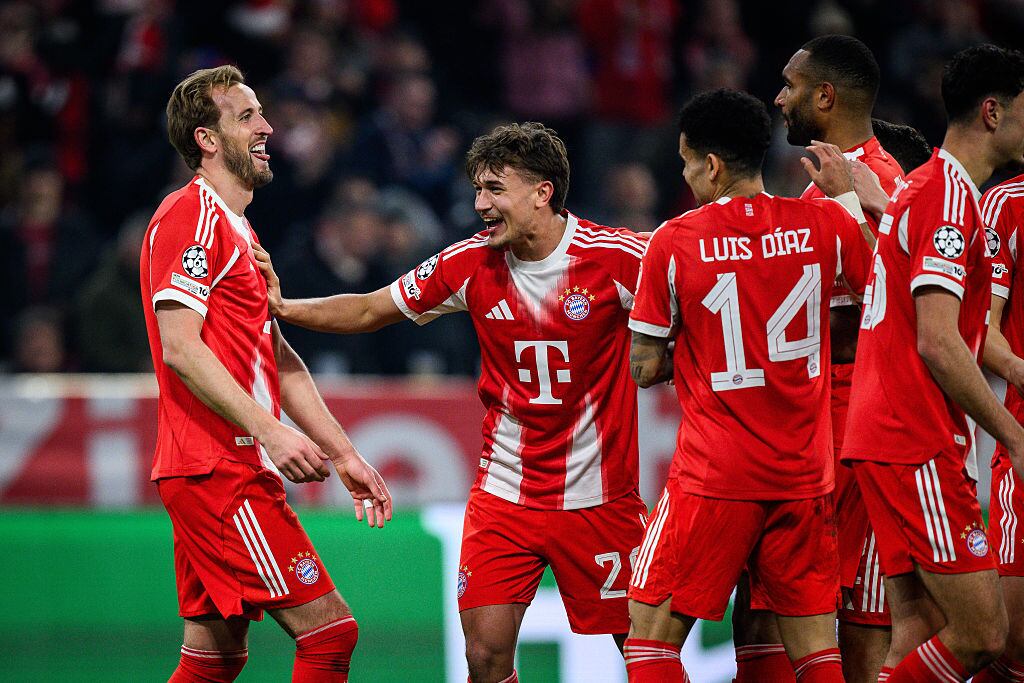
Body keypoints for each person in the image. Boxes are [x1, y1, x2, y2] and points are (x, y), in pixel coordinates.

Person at [254, 122, 649, 683]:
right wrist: (287, 308)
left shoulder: (617, 257)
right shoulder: (468, 263)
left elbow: (697, 300)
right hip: (504, 497)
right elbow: (370, 309)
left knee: (645, 653)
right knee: (485, 657)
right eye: (477, 189)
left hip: (601, 497)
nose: (479, 204)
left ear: (542, 192)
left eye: (494, 189)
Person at [140, 65, 392, 683]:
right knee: (330, 635)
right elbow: (179, 346)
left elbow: (277, 360)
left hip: (218, 465)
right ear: (207, 137)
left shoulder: (238, 229)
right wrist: (273, 434)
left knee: (214, 658)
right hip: (218, 467)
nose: (267, 128)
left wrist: (344, 454)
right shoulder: (189, 217)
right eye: (247, 116)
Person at [624, 88, 874, 683]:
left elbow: (644, 367)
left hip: (716, 476)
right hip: (805, 475)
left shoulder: (674, 240)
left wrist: (689, 338)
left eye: (687, 165)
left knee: (650, 643)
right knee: (814, 648)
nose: (686, 178)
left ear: (709, 164)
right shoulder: (826, 223)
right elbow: (881, 293)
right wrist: (849, 198)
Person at [842, 44, 1024, 681]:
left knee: (917, 632)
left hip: (885, 435)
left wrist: (873, 208)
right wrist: (1013, 435)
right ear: (994, 113)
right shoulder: (949, 199)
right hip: (913, 437)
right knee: (983, 632)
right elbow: (938, 341)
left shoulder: (931, 192)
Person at [728, 34, 905, 683]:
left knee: (812, 609)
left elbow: (906, 310)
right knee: (767, 605)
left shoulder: (875, 184)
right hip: (815, 428)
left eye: (790, 84)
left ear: (825, 96)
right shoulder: (824, 185)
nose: (778, 96)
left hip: (844, 429)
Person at [966, 170, 1024, 683]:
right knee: (1009, 636)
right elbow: (982, 327)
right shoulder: (1006, 205)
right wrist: (1018, 369)